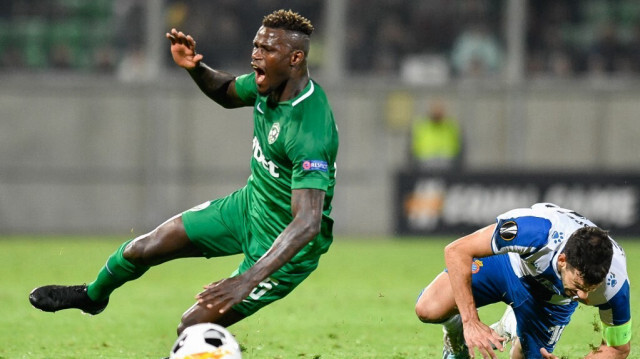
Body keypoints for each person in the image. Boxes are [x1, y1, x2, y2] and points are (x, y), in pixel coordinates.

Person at [29, 9, 339, 336]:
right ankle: (92, 296)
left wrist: (246, 279)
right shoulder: (269, 87)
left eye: (267, 50)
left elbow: (307, 221)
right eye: (255, 46)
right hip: (248, 208)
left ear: (296, 58)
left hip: (285, 246)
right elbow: (228, 91)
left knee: (191, 327)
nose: (255, 56)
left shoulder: (309, 127)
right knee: (143, 248)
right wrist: (195, 68)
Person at [415, 203, 629, 359]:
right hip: (507, 264)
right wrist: (470, 322)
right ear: (562, 260)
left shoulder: (616, 286)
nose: (583, 297)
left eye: (592, 288)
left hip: (550, 302)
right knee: (428, 308)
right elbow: (456, 250)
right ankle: (455, 331)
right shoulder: (534, 232)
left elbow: (618, 349)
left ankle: (513, 324)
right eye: (580, 286)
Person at [410, 99, 462, 170]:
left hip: (447, 163)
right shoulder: (421, 126)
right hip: (424, 163)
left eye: (440, 110)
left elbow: (458, 145)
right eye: (435, 109)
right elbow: (413, 146)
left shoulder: (451, 126)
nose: (437, 112)